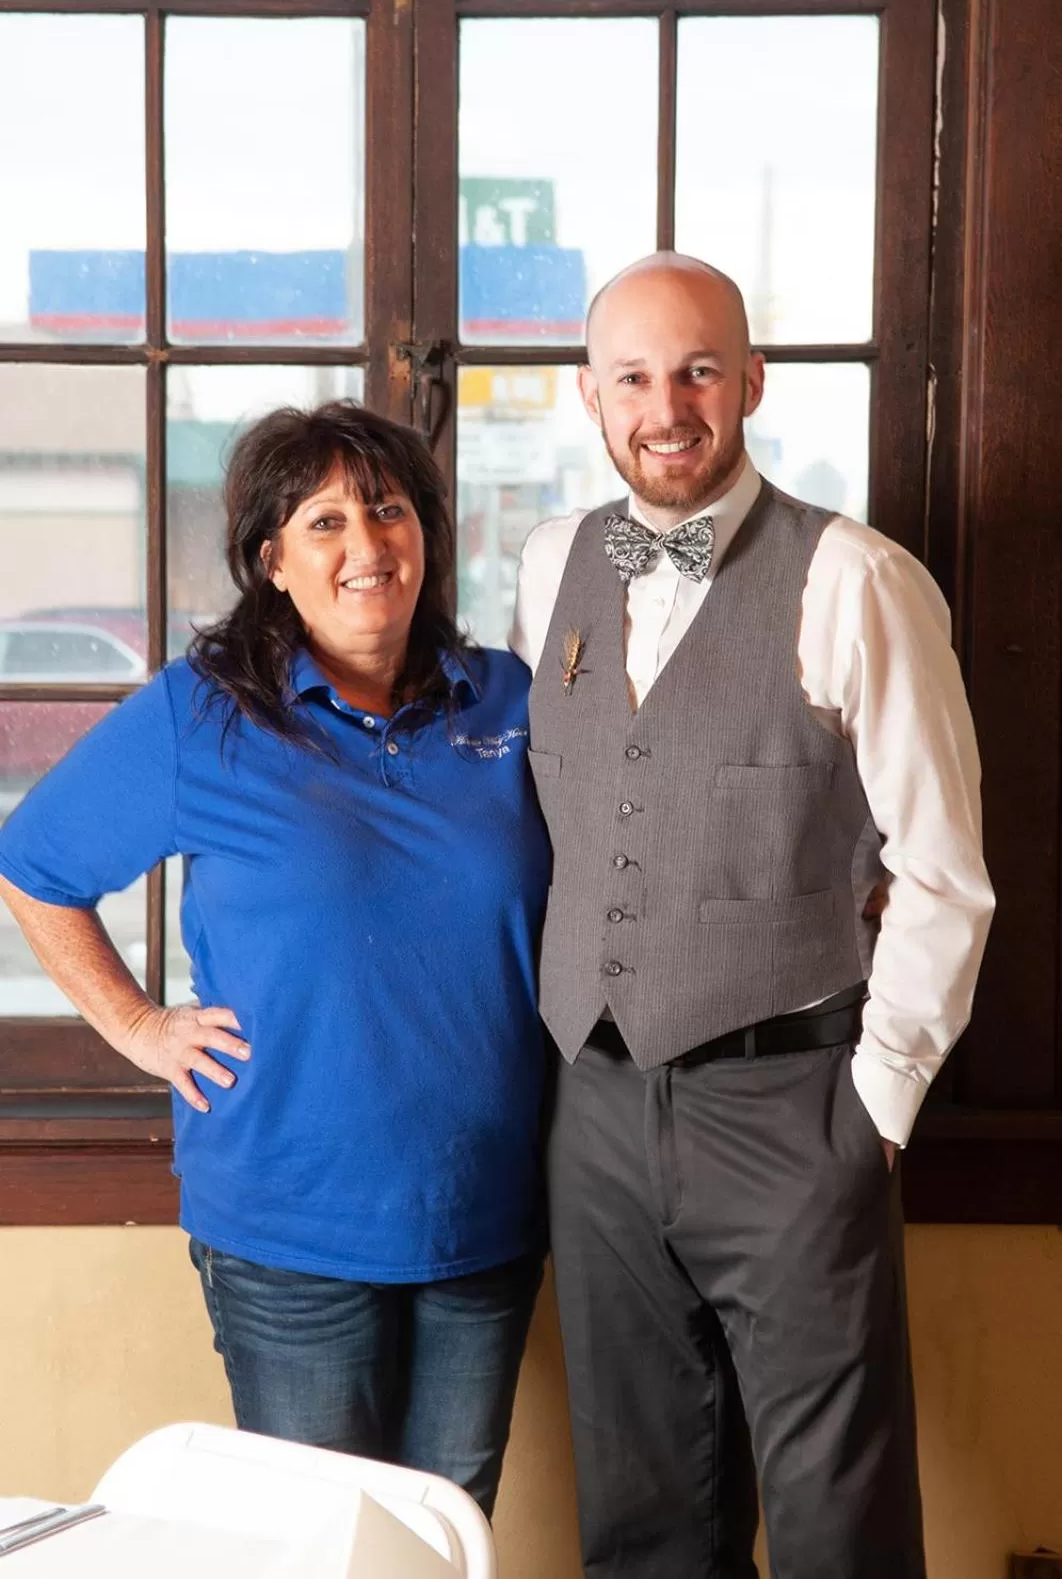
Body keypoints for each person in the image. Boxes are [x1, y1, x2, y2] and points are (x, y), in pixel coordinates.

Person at [511, 253, 995, 1577]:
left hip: (793, 1105)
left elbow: (943, 868)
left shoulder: (858, 580)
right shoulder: (548, 565)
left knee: (839, 1523)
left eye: (698, 372)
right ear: (589, 397)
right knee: (642, 1518)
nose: (666, 408)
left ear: (753, 382)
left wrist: (875, 1107)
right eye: (632, 378)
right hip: (596, 1106)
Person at [0, 400, 550, 1517]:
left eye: (389, 511)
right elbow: (33, 865)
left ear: (427, 535)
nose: (366, 545)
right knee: (322, 1545)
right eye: (325, 522)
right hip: (291, 1227)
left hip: (485, 1214)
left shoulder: (511, 700)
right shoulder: (204, 714)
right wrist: (139, 1026)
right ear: (272, 561)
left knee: (446, 1539)